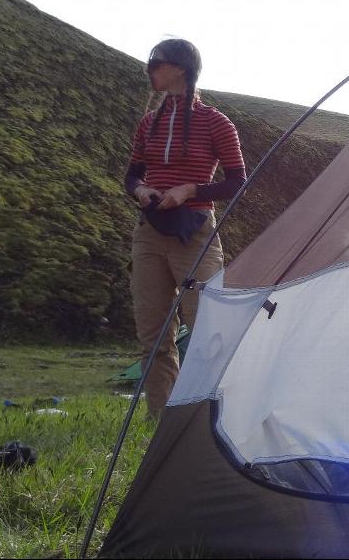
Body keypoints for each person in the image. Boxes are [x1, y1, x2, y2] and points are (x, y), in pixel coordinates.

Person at [123, 38, 247, 419]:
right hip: (150, 231)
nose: (150, 70)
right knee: (154, 333)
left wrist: (191, 189)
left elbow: (237, 180)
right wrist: (141, 189)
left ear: (179, 68)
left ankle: (219, 416)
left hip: (194, 231)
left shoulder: (216, 122)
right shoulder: (149, 122)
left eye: (156, 63)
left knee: (208, 326)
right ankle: (162, 419)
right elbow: (132, 174)